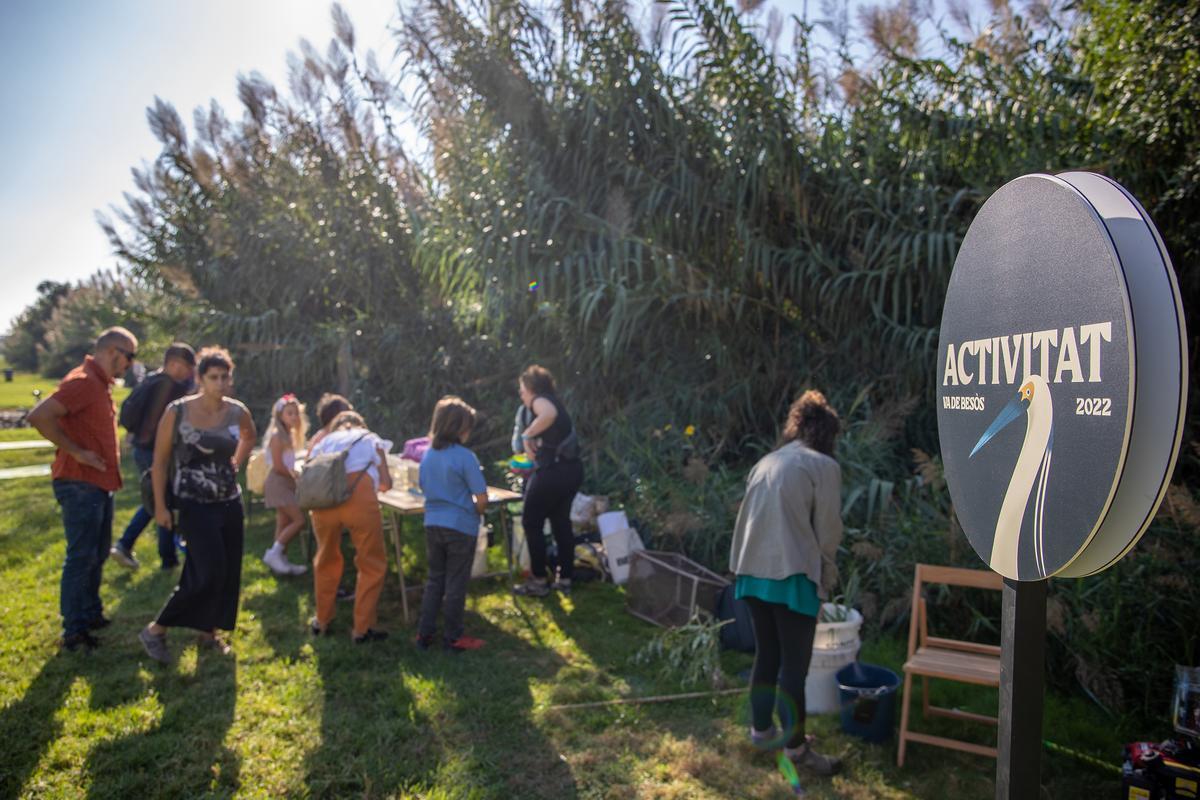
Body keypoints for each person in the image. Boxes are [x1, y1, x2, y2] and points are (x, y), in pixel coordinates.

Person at [729, 389, 844, 776]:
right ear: (829, 434)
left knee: (767, 656)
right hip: (792, 577)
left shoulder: (767, 461)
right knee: (794, 669)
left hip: (751, 574)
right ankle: (797, 751)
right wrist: (826, 581)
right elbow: (827, 534)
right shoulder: (823, 466)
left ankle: (762, 733)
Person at [138, 347, 256, 663]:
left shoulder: (236, 411)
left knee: (228, 569)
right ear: (200, 378)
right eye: (213, 377)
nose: (219, 382)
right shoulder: (177, 411)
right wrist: (161, 508)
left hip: (229, 501)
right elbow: (160, 463)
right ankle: (156, 629)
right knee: (208, 570)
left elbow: (249, 436)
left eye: (224, 376)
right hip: (194, 503)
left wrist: (236, 462)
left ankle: (209, 632)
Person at [28, 326, 139, 651]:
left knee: (97, 552)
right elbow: (40, 415)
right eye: (129, 357)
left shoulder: (99, 384)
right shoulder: (83, 382)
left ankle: (90, 613)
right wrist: (76, 451)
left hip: (98, 484)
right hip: (79, 484)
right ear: (113, 352)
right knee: (81, 556)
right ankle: (74, 631)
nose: (130, 365)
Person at [306, 410, 393, 643]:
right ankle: (362, 628)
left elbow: (307, 471)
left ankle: (322, 621)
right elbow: (385, 483)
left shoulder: (322, 442)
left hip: (323, 501)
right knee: (370, 563)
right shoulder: (370, 438)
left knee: (325, 559)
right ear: (360, 424)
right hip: (359, 498)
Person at [111, 342, 196, 570]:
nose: (189, 373)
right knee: (159, 501)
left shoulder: (151, 379)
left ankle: (164, 556)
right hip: (153, 451)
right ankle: (135, 547)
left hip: (143, 447)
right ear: (174, 364)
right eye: (187, 367)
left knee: (159, 498)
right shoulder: (169, 387)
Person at [416, 396, 489, 653]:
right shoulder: (465, 457)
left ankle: (424, 634)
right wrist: (478, 512)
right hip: (460, 526)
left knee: (435, 579)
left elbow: (423, 486)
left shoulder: (427, 456)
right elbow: (481, 496)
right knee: (456, 582)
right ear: (460, 428)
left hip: (432, 523)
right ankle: (453, 636)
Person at [512, 365, 584, 598]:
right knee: (560, 522)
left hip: (552, 473)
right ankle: (565, 578)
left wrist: (527, 435)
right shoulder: (555, 402)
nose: (521, 395)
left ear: (532, 388)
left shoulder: (540, 401)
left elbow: (548, 414)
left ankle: (539, 579)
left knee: (531, 521)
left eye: (522, 390)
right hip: (571, 470)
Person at [261, 393, 309, 576]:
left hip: (285, 482)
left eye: (296, 413)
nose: (294, 417)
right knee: (299, 520)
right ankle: (273, 554)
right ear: (280, 415)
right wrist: (294, 475)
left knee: (283, 522)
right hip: (278, 483)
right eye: (290, 413)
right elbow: (279, 466)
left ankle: (281, 560)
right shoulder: (277, 436)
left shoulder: (288, 435)